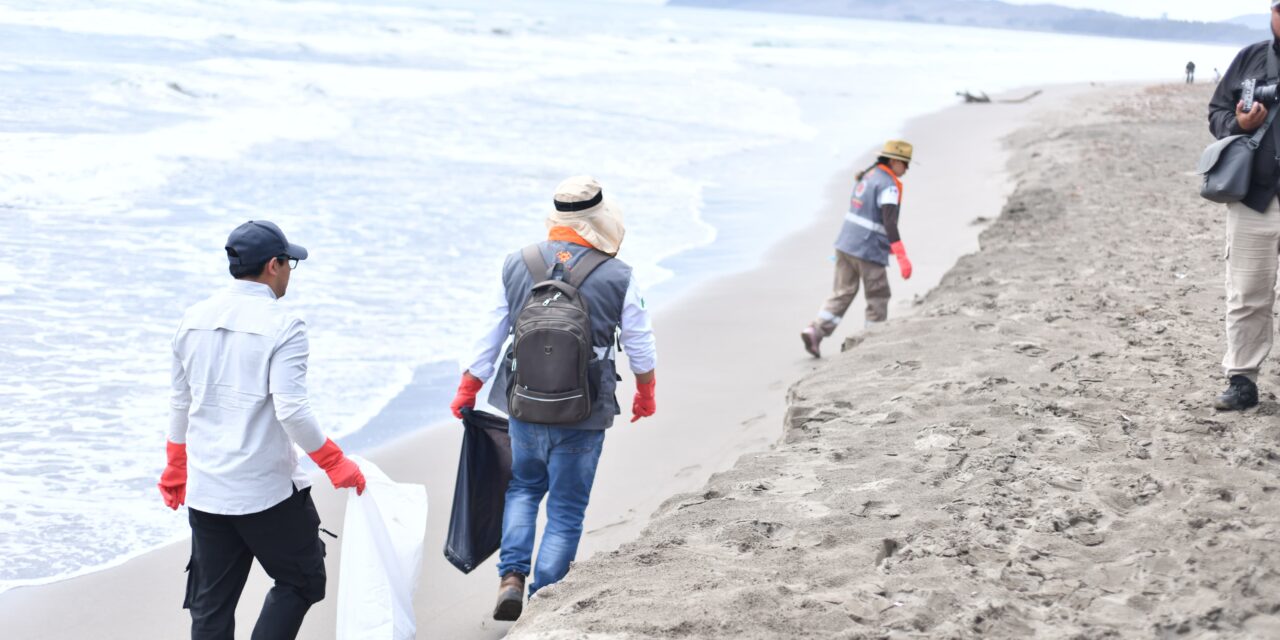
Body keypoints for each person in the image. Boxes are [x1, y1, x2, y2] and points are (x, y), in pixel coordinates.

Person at [450, 176, 658, 621]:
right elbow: (640, 343)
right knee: (566, 509)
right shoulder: (619, 275)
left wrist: (468, 387)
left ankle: (511, 578)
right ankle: (543, 599)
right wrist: (646, 392)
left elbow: (490, 333)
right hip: (585, 410)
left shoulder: (517, 263)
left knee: (523, 489)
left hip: (524, 404)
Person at [158, 220, 366, 639]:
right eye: (289, 262)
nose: (290, 271)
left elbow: (181, 401)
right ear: (274, 265)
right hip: (264, 491)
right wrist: (334, 462)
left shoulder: (192, 319)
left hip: (207, 488)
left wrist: (176, 465)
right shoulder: (285, 325)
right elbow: (292, 409)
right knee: (302, 580)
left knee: (211, 606)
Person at [1208, 2, 1280, 411]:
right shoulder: (1251, 58)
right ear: (1273, 12)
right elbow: (1217, 112)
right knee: (1248, 293)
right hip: (1255, 196)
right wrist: (1240, 125)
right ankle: (1242, 381)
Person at [801, 140, 915, 357]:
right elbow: (889, 222)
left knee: (842, 292)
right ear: (893, 161)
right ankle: (872, 342)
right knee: (878, 295)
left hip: (845, 243)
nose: (907, 168)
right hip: (868, 249)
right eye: (905, 163)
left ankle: (815, 331)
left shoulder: (868, 175)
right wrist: (901, 254)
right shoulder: (889, 186)